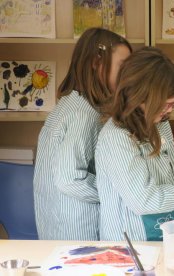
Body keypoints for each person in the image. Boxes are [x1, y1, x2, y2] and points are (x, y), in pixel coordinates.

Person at [95, 47, 174, 241]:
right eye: (165, 104)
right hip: (132, 242)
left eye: (173, 103)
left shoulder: (160, 124)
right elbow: (142, 200)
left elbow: (168, 174)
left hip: (167, 232)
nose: (169, 110)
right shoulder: (116, 138)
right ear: (140, 96)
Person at [33, 28, 132, 240]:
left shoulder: (70, 104)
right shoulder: (83, 114)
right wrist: (115, 194)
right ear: (96, 63)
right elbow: (69, 178)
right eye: (123, 67)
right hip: (77, 231)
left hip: (58, 227)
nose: (128, 76)